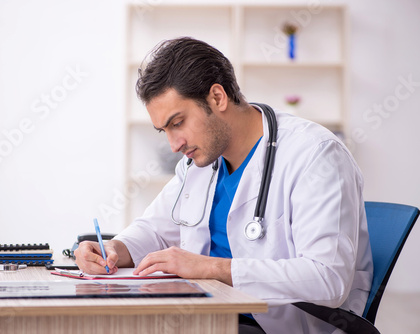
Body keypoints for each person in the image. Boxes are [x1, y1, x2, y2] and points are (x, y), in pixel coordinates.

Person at [75, 37, 373, 333]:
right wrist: (113, 249)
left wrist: (211, 268)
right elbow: (154, 229)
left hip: (274, 326)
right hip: (207, 313)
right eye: (164, 129)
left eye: (178, 123)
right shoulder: (199, 164)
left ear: (217, 97)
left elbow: (328, 278)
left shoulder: (314, 154)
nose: (174, 144)